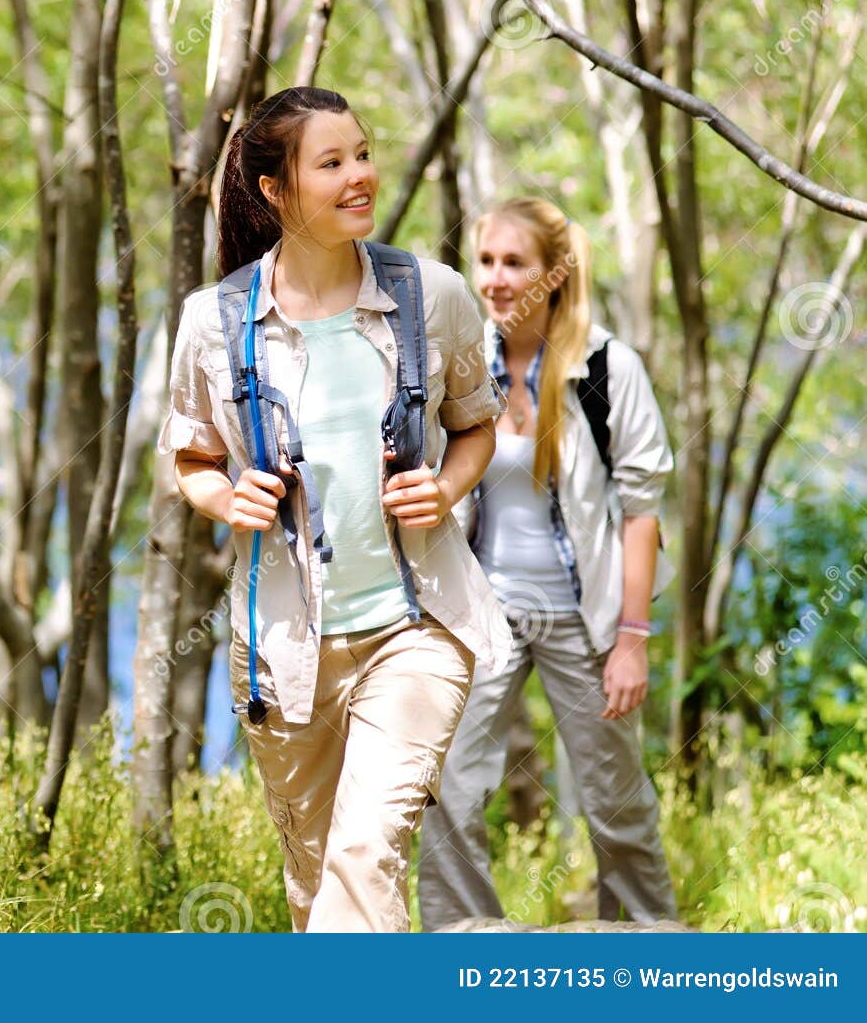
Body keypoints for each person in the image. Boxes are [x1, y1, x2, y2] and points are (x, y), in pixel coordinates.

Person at [156, 85, 512, 933]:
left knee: (363, 855)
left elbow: (476, 427)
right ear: (275, 190)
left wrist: (446, 487)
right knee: (317, 883)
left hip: (416, 628)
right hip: (282, 653)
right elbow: (191, 459)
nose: (361, 175)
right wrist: (227, 497)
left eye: (363, 154)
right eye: (332, 163)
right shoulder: (213, 322)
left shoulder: (433, 295)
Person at [417, 196, 678, 929]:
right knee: (448, 790)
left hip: (582, 617)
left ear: (555, 273)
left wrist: (632, 640)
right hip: (481, 612)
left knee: (616, 805)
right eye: (486, 261)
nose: (495, 279)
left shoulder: (607, 368)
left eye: (515, 262)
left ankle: (650, 948)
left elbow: (642, 512)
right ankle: (462, 947)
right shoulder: (459, 363)